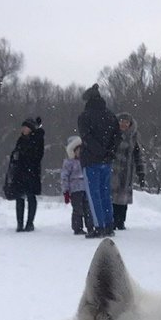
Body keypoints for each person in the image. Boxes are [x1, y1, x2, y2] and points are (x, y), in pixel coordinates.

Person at [76, 84, 120, 236]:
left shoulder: (84, 117)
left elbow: (87, 138)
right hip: (106, 161)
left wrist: (98, 152)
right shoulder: (111, 116)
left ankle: (98, 226)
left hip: (91, 160)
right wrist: (109, 153)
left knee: (94, 194)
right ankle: (109, 225)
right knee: (105, 193)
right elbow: (117, 137)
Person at [2, 117, 44, 231]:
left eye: (25, 127)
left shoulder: (37, 139)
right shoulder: (21, 139)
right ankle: (20, 224)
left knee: (30, 196)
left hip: (31, 172)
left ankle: (29, 223)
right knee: (19, 197)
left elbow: (37, 155)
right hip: (20, 172)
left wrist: (24, 157)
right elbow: (16, 153)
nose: (23, 129)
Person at [111, 113, 144, 230]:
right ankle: (112, 220)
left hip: (127, 172)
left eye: (126, 122)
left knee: (123, 199)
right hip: (113, 171)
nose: (123, 124)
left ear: (130, 124)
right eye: (121, 121)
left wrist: (141, 173)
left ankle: (121, 221)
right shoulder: (112, 134)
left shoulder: (134, 137)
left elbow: (138, 156)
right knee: (112, 197)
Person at [60, 136, 91, 234]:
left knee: (88, 209)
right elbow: (64, 177)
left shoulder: (86, 162)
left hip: (86, 189)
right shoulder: (69, 163)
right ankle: (77, 228)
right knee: (78, 209)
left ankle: (91, 226)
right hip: (75, 190)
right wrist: (66, 191)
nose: (80, 152)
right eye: (78, 150)